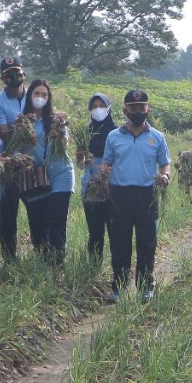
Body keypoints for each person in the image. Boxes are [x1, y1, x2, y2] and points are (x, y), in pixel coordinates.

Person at [101, 90, 171, 302]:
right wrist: (103, 172)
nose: (138, 111)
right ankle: (118, 288)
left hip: (146, 195)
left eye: (142, 107)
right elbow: (107, 162)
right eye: (133, 107)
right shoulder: (113, 136)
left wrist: (165, 176)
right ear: (125, 110)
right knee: (119, 244)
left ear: (148, 109)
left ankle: (145, 288)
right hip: (119, 195)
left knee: (146, 244)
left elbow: (164, 163)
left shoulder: (157, 137)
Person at [22, 79, 75, 264]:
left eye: (44, 95)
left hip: (61, 172)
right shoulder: (22, 122)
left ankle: (58, 263)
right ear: (30, 96)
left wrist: (60, 132)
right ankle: (43, 261)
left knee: (56, 218)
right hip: (35, 176)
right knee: (38, 222)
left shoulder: (56, 120)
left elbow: (64, 146)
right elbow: (15, 149)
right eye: (37, 94)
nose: (40, 98)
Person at [0, 57, 30, 259]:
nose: (14, 77)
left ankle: (42, 254)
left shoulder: (35, 96)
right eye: (8, 74)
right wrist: (24, 126)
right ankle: (9, 258)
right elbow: (4, 134)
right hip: (8, 165)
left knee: (37, 210)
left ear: (24, 74)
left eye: (17, 72)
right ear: (2, 78)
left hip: (34, 163)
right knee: (7, 213)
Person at [80, 93, 117, 264]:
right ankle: (93, 268)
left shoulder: (118, 133)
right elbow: (80, 164)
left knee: (115, 231)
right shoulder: (86, 132)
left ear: (109, 108)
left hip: (112, 188)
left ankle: (118, 270)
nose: (98, 110)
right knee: (95, 232)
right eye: (94, 107)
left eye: (101, 106)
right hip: (91, 187)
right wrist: (81, 158)